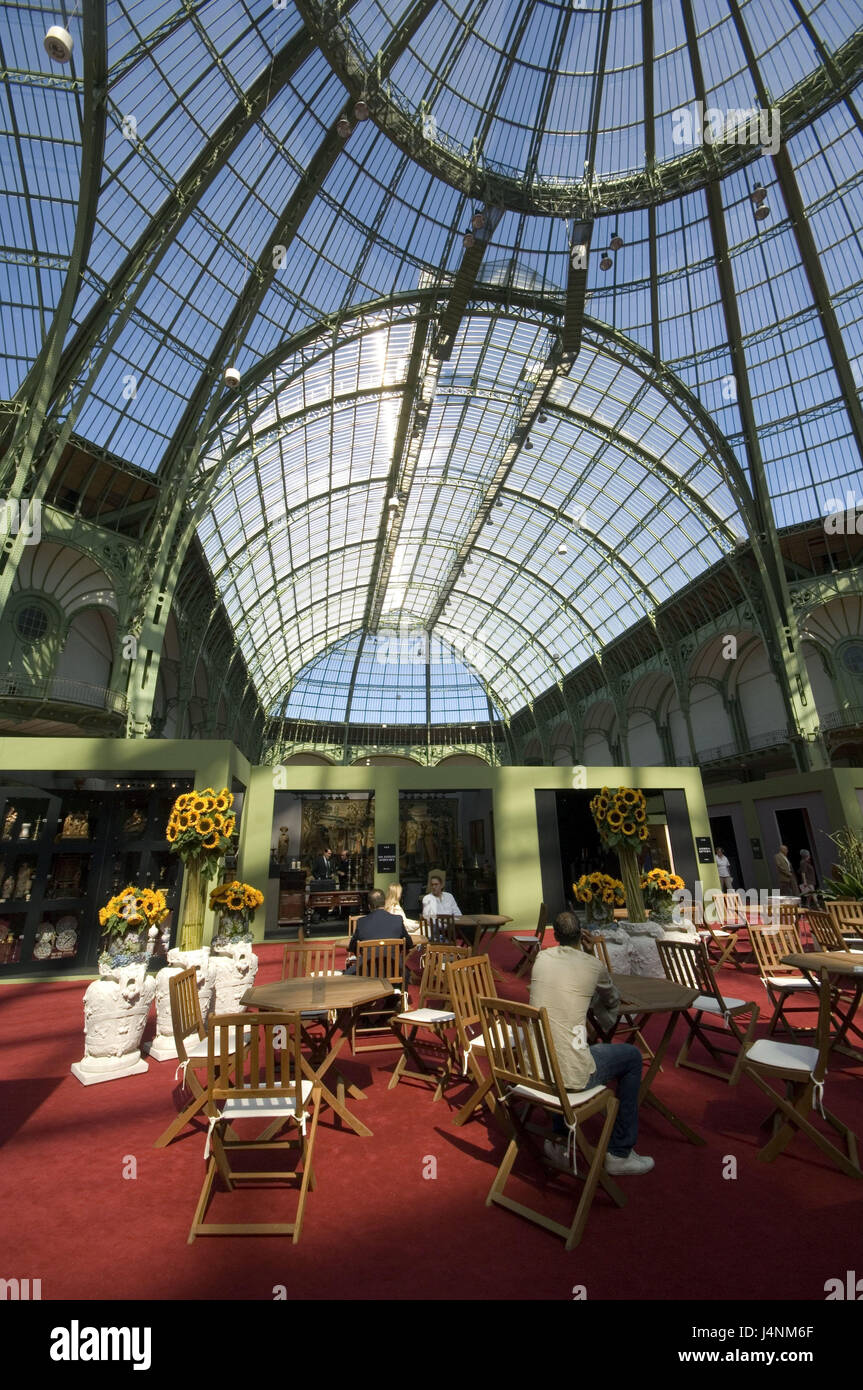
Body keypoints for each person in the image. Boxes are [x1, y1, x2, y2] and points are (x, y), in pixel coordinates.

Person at [529, 911, 654, 1176]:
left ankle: (560, 1140)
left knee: (561, 1042)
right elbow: (611, 999)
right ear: (581, 935)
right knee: (631, 1056)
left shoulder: (541, 958)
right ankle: (620, 1153)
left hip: (535, 1069)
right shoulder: (592, 966)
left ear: (555, 936)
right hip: (569, 1077)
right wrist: (590, 954)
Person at [344, 888, 413, 984]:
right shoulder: (397, 920)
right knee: (406, 971)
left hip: (367, 972)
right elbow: (409, 944)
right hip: (395, 971)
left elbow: (353, 947)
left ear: (369, 906)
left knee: (346, 975)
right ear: (384, 903)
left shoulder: (362, 922)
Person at [421, 869, 464, 942]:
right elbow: (427, 918)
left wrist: (451, 922)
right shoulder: (427, 898)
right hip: (438, 929)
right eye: (432, 885)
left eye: (436, 884)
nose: (434, 887)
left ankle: (472, 949)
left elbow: (458, 914)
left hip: (452, 926)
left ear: (441, 885)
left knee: (472, 929)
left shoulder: (449, 896)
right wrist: (444, 921)